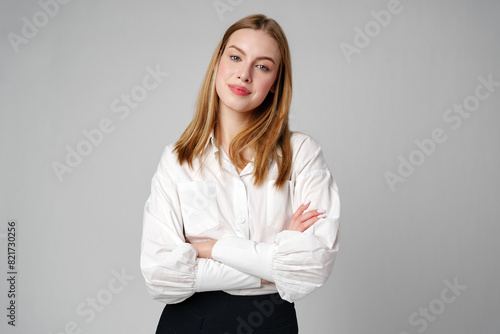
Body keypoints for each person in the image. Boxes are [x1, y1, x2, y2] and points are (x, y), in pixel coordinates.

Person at [140, 14, 340, 334]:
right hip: (191, 322)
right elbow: (160, 275)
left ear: (275, 83)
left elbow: (309, 270)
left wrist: (209, 248)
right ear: (218, 63)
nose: (244, 74)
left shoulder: (301, 153)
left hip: (272, 321)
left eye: (262, 66)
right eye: (235, 57)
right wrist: (272, 266)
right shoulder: (178, 160)